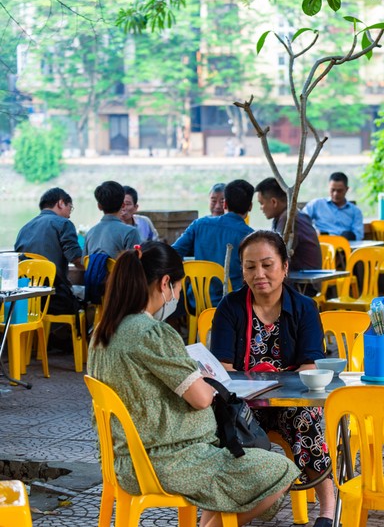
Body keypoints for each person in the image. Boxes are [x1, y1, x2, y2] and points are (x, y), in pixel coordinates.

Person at [87, 241, 297, 527]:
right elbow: (200, 399)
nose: (175, 297)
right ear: (165, 284)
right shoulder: (151, 333)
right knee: (279, 469)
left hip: (122, 460)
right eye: (177, 288)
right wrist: (204, 382)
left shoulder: (104, 331)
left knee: (234, 470)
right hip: (170, 463)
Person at [210, 230, 334, 527]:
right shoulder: (230, 307)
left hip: (290, 400)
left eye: (268, 265)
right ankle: (223, 507)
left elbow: (308, 365)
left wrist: (283, 388)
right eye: (250, 267)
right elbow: (224, 367)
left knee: (305, 417)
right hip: (244, 404)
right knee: (216, 426)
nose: (259, 274)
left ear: (285, 267)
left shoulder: (304, 308)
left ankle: (328, 509)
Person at [173, 180, 255, 303]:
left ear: (225, 204)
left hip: (196, 301)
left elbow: (173, 252)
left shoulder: (199, 225)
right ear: (250, 207)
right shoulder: (250, 236)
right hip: (232, 305)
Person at [15, 188, 83, 316]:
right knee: (89, 297)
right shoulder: (64, 224)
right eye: (70, 208)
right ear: (61, 203)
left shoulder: (24, 228)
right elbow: (76, 259)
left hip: (25, 301)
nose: (69, 214)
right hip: (55, 299)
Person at [255, 178, 322, 272]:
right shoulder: (284, 216)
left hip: (303, 283)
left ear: (274, 202)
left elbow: (278, 255)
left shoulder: (289, 219)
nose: (261, 208)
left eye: (261, 203)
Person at [84, 181, 140, 258]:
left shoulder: (90, 233)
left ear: (99, 206)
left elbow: (84, 262)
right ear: (123, 205)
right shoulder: (131, 232)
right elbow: (134, 265)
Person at [302, 172, 364, 240]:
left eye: (339, 191)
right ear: (328, 188)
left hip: (344, 245)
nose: (335, 194)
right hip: (321, 243)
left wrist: (349, 237)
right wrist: (313, 230)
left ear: (347, 189)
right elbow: (301, 220)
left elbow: (358, 235)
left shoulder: (355, 211)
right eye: (332, 190)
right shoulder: (316, 204)